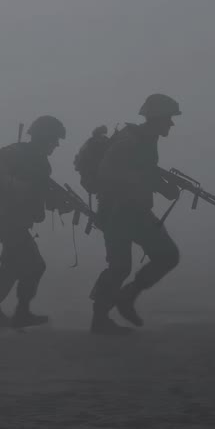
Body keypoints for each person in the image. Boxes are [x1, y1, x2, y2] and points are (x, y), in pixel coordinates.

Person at [89, 94, 182, 335]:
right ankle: (100, 319)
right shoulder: (129, 141)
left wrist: (163, 186)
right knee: (119, 266)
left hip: (136, 211)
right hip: (118, 212)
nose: (171, 124)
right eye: (168, 119)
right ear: (157, 118)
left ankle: (127, 296)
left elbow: (144, 171)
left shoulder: (146, 140)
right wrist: (154, 185)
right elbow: (107, 174)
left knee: (168, 255)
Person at [0, 115, 68, 328]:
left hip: (16, 221)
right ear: (43, 137)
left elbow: (41, 192)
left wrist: (58, 202)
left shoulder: (40, 162)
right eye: (53, 139)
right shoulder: (14, 153)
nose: (56, 145)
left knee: (11, 265)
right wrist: (24, 190)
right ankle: (18, 312)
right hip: (5, 218)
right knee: (34, 265)